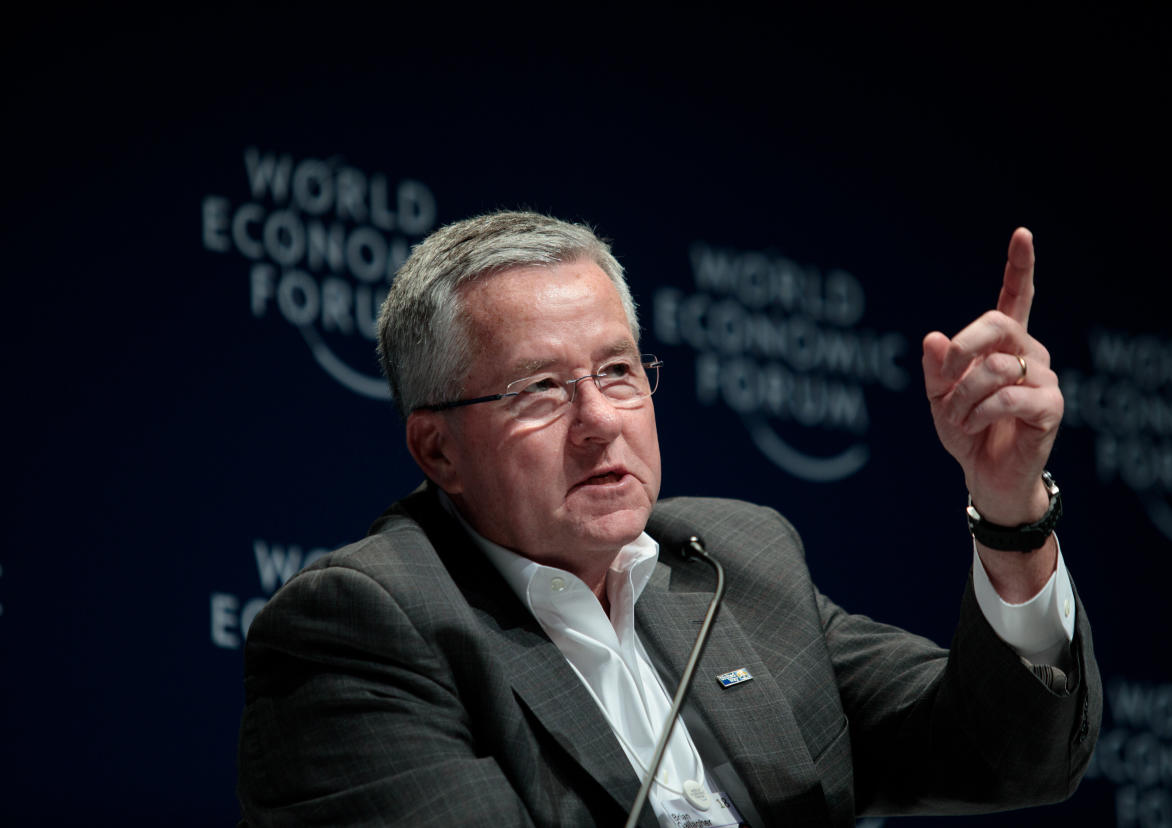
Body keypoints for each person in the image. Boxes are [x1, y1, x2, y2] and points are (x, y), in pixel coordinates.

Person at [237, 211, 1100, 827]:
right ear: (437, 450)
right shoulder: (366, 626)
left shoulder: (731, 560)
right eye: (539, 389)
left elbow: (1010, 755)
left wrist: (1008, 509)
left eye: (617, 370)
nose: (600, 419)